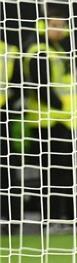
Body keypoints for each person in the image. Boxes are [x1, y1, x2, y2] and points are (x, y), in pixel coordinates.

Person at [21, 2, 77, 229]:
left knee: (64, 172)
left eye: (61, 26)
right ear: (43, 25)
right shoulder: (39, 50)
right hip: (46, 122)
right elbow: (41, 87)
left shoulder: (56, 49)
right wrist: (61, 106)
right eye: (54, 25)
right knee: (51, 174)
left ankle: (67, 219)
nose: (59, 30)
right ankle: (51, 219)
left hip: (61, 120)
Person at [1, 36, 21, 229]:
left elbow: (19, 87)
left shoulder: (10, 51)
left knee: (6, 169)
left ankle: (10, 219)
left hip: (3, 117)